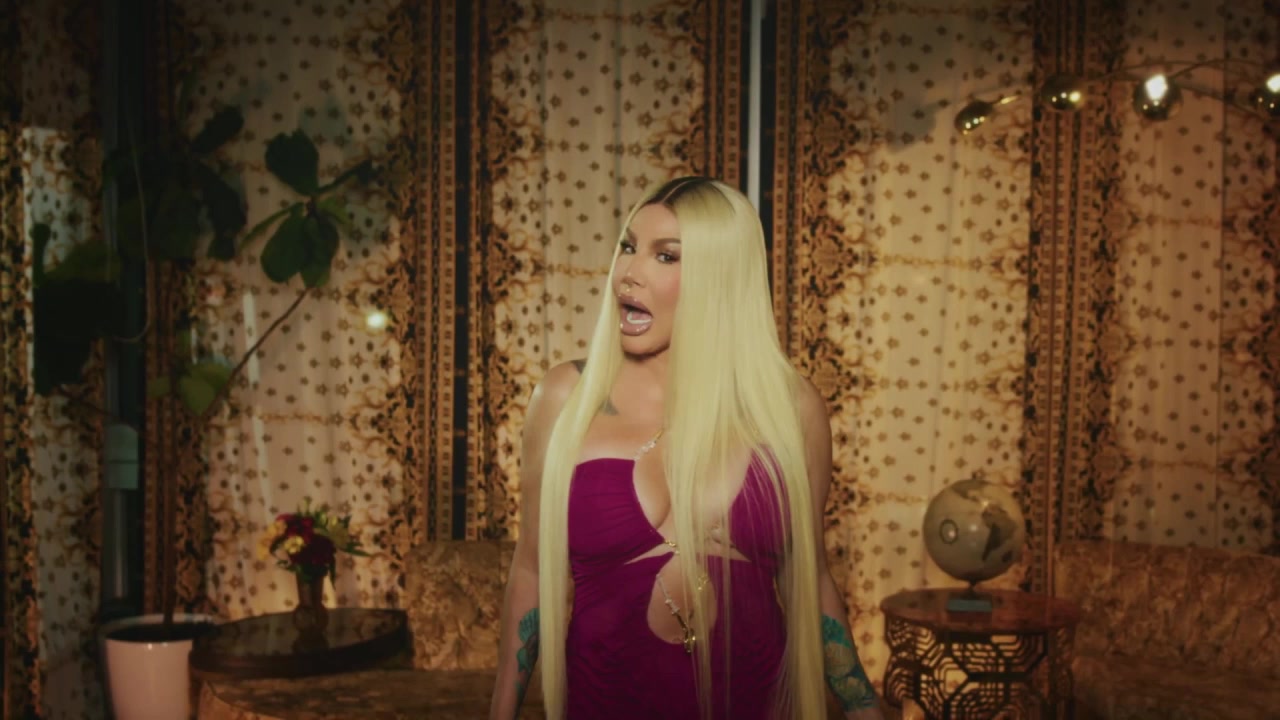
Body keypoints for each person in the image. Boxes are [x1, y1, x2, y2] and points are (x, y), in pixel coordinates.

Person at [488, 177, 883, 720]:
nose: (629, 273)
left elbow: (808, 581)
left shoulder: (790, 409)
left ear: (720, 278)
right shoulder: (566, 399)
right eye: (628, 247)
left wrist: (864, 709)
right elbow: (532, 573)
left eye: (666, 256)